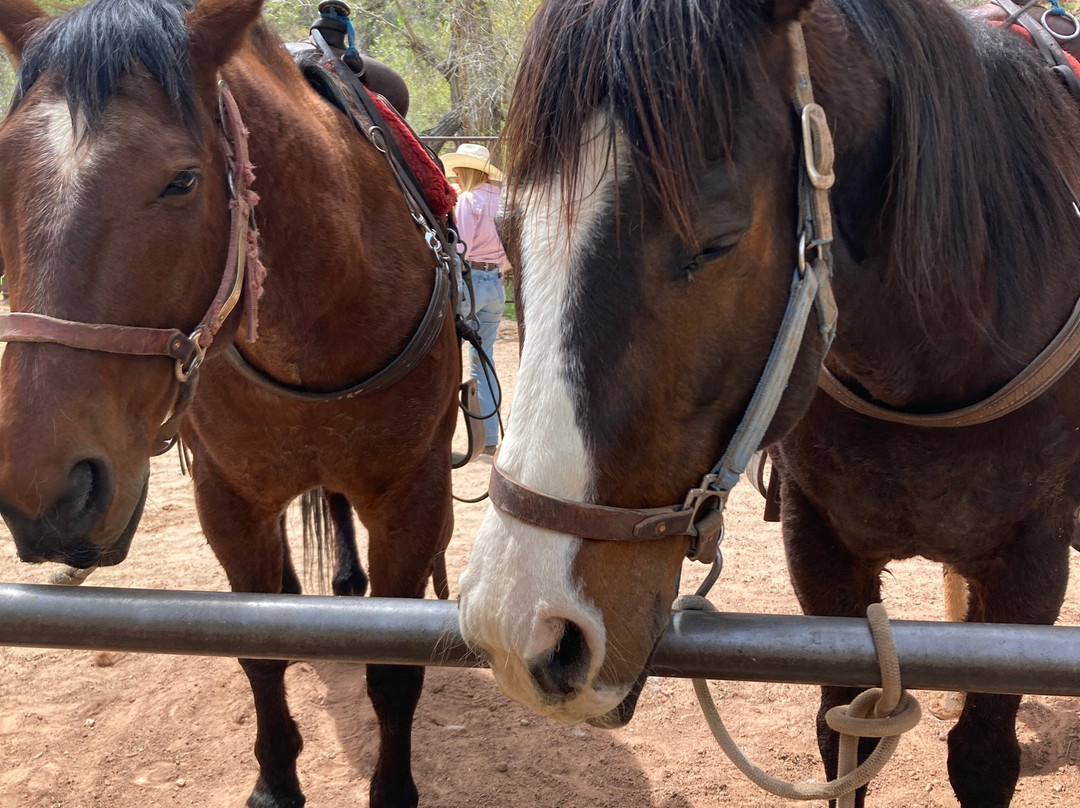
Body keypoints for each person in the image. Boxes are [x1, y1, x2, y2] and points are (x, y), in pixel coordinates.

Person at [443, 143, 508, 454]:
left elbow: (460, 248)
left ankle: (447, 433)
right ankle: (491, 438)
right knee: (485, 359)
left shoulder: (469, 200)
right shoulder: (501, 199)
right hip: (496, 281)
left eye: (458, 170)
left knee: (450, 357)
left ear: (465, 171)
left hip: (472, 283)